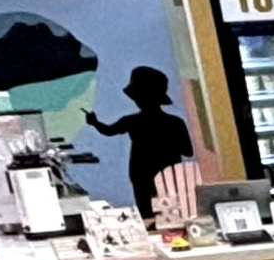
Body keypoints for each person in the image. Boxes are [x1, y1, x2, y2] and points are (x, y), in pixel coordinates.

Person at [83, 64, 194, 208]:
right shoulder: (175, 122)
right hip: (163, 176)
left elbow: (108, 131)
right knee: (169, 214)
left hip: (144, 175)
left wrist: (95, 123)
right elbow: (187, 151)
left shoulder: (132, 121)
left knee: (149, 212)